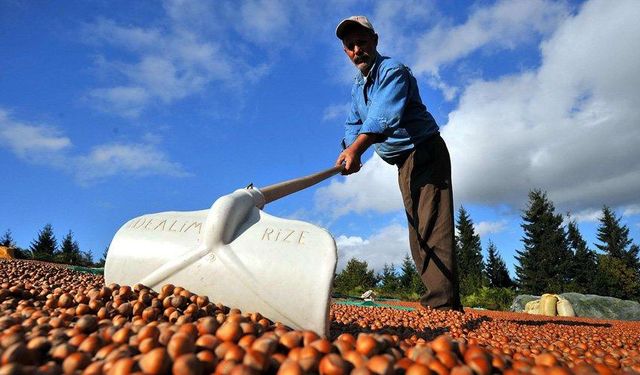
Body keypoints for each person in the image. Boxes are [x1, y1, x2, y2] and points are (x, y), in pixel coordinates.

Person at [334, 16, 462, 311]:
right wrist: (348, 150)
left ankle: (441, 307)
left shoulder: (393, 71)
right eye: (350, 45)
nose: (357, 50)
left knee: (431, 225)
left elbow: (381, 117)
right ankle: (443, 303)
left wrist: (357, 149)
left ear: (375, 41)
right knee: (417, 230)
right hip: (404, 161)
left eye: (362, 42)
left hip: (424, 150)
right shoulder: (358, 86)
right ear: (345, 51)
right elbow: (354, 122)